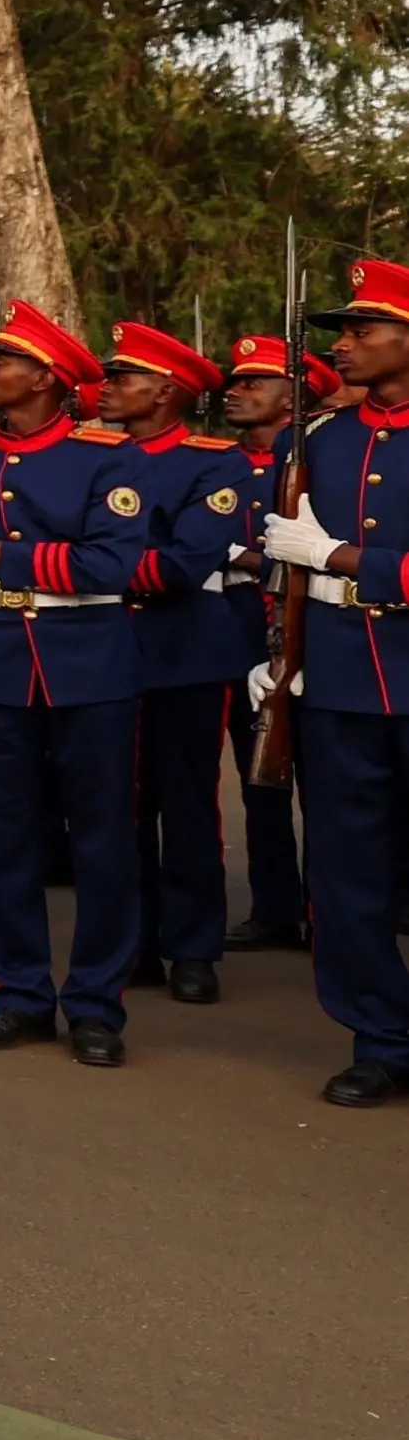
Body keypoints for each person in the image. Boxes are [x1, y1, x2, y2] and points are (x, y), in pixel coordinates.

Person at [0, 299, 148, 1066]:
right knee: (3, 839)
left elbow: (109, 565)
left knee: (101, 841)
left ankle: (96, 1001)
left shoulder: (109, 457)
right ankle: (22, 994)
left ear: (47, 378)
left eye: (1, 361)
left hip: (89, 663)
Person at [260, 260, 409, 1105]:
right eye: (338, 334)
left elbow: (318, 554)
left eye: (361, 330)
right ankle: (381, 1036)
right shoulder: (316, 439)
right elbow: (280, 563)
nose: (342, 346)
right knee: (348, 872)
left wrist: (345, 560)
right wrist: (274, 654)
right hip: (340, 680)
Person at [98, 324, 254, 1004]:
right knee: (116, 807)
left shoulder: (212, 463)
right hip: (102, 651)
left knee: (186, 805)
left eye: (122, 378)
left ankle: (192, 945)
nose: (106, 389)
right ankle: (130, 945)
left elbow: (184, 564)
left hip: (182, 650)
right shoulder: (93, 454)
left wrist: (88, 570)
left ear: (164, 391)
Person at [214, 336, 310, 951]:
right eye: (236, 380)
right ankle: (277, 906)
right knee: (261, 780)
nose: (237, 389)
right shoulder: (216, 464)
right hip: (231, 636)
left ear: (291, 397)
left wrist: (247, 559)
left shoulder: (313, 457)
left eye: (256, 382)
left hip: (307, 632)